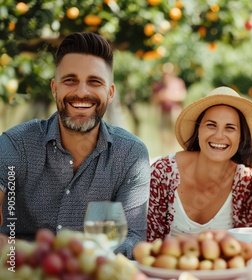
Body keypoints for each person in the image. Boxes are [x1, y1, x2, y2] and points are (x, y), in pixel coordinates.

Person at [0, 32, 151, 259]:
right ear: (54, 88)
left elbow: (132, 239)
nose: (81, 92)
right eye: (70, 80)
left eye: (94, 81)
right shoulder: (15, 145)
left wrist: (76, 256)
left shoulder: (131, 155)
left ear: (110, 93)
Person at [147, 86, 252, 240]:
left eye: (230, 128)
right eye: (211, 125)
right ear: (198, 132)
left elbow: (245, 246)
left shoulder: (245, 182)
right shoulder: (163, 172)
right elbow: (147, 241)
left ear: (241, 138)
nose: (219, 136)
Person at [151, 62, 187, 153]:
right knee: (161, 132)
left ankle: (171, 150)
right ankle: (165, 150)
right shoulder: (158, 85)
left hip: (175, 111)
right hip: (163, 111)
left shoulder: (178, 82)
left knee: (174, 132)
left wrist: (168, 96)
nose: (166, 74)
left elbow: (182, 96)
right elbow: (154, 99)